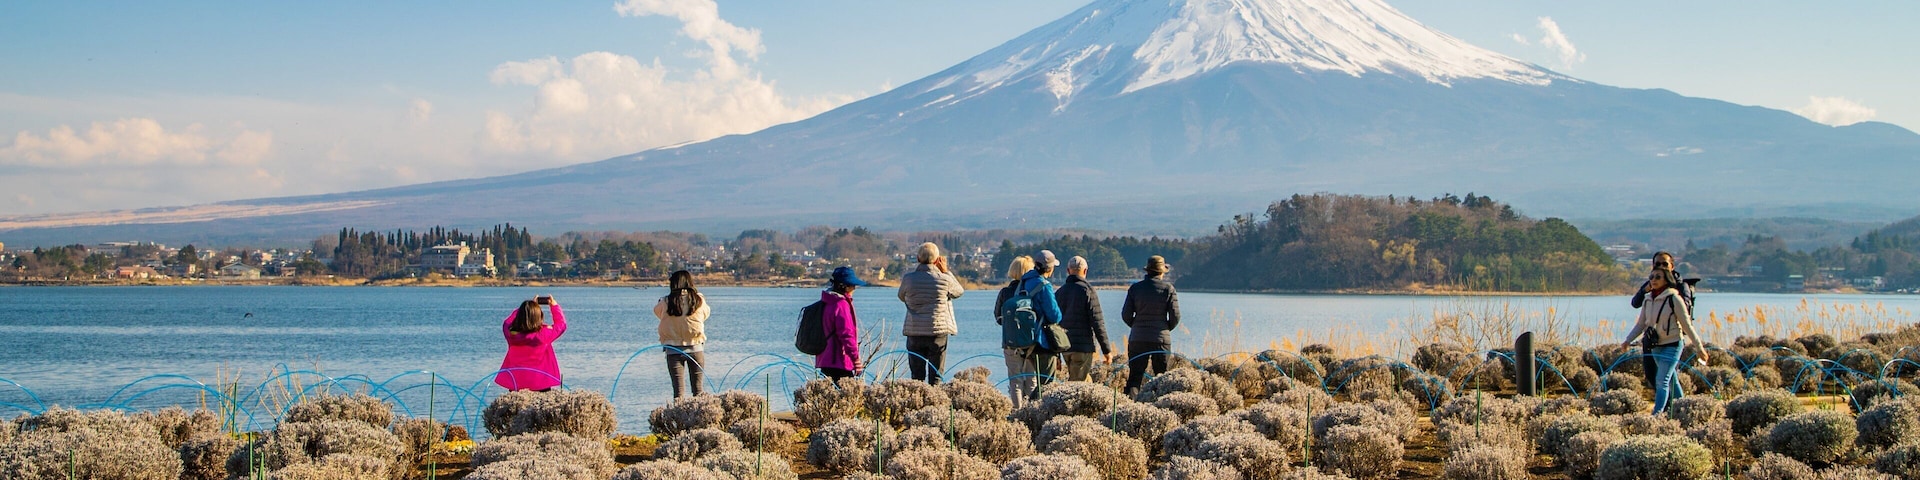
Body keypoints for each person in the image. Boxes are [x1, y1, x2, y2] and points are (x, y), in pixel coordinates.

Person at [1620, 268, 1708, 415]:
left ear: (1667, 280)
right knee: (1671, 379)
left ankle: (1657, 414)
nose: (1653, 280)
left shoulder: (1674, 299)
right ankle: (1683, 409)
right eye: (1651, 277)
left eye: (1658, 277)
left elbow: (1686, 325)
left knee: (1662, 380)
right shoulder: (1648, 299)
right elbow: (1641, 324)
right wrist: (1627, 340)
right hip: (1655, 346)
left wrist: (1699, 348)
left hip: (1673, 344)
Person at [898, 242, 965, 385]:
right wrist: (946, 271)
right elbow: (959, 292)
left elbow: (901, 296)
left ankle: (917, 404)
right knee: (936, 376)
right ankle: (935, 404)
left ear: (917, 258)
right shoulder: (944, 279)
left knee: (916, 376)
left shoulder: (908, 279)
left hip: (914, 330)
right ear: (937, 260)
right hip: (937, 331)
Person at [1122, 255, 1180, 396]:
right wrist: (1164, 328)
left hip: (1138, 338)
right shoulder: (1168, 289)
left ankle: (1131, 405)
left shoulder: (1135, 288)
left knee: (1134, 377)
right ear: (1161, 272)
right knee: (1161, 377)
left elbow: (1126, 315)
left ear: (1147, 271)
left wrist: (1137, 326)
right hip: (1161, 340)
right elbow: (1175, 316)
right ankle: (1159, 406)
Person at [1014, 250, 1065, 397]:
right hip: (1042, 341)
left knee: (1036, 381)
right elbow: (1055, 315)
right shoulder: (1044, 285)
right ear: (1050, 268)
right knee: (1047, 383)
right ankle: (1034, 412)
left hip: (1025, 338)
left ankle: (1030, 410)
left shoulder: (1024, 282)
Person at [654, 270, 711, 398]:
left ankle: (678, 416)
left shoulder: (666, 301)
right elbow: (706, 314)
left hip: (673, 349)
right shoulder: (699, 300)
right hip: (696, 348)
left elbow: (657, 313)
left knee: (678, 392)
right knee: (698, 391)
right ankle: (701, 416)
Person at [1055, 255, 1114, 382]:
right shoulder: (1088, 291)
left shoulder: (1059, 292)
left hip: (1065, 346)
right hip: (1082, 347)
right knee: (1077, 385)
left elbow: (1053, 323)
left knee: (1085, 380)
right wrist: (1107, 351)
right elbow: (1097, 322)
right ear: (1085, 271)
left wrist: (1056, 354)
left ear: (1068, 270)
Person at [495, 295, 567, 391]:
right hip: (540, 382)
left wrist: (524, 310)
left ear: (520, 316)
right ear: (539, 317)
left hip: (516, 382)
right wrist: (554, 306)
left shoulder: (511, 335)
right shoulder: (543, 335)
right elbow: (561, 325)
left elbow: (507, 323)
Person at [994, 255, 1039, 407]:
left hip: (1010, 343)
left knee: (1015, 380)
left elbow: (998, 318)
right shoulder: (1034, 291)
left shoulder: (1005, 292)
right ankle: (1031, 411)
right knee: (1032, 379)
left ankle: (1017, 412)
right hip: (1032, 343)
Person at [817, 266, 869, 380]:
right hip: (840, 362)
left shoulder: (826, 301)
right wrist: (856, 360)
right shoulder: (841, 305)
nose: (854, 288)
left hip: (825, 359)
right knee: (846, 395)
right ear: (845, 286)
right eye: (852, 285)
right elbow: (847, 335)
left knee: (827, 394)